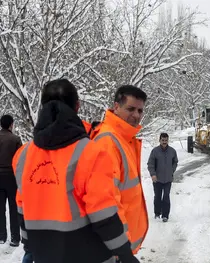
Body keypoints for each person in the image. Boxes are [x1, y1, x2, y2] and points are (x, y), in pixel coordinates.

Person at [12, 79, 139, 263]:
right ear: (77, 106)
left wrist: (28, 245)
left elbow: (22, 207)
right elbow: (103, 213)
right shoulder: (91, 153)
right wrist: (125, 253)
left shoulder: (22, 155)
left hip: (45, 254)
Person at [91, 85, 149, 256]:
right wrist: (121, 249)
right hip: (115, 249)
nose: (136, 115)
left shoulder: (124, 139)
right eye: (130, 109)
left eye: (140, 110)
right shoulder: (108, 143)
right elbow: (107, 204)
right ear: (116, 106)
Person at [0, 114, 22, 246]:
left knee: (0, 208)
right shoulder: (16, 139)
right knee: (14, 208)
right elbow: (20, 159)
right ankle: (15, 238)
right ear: (11, 125)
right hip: (11, 177)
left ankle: (1, 236)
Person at [147, 133, 178, 222]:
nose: (164, 142)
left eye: (166, 140)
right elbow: (150, 164)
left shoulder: (172, 151)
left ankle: (165, 215)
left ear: (168, 140)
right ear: (159, 140)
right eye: (163, 140)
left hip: (168, 179)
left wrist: (172, 170)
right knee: (157, 197)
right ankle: (157, 213)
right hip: (157, 179)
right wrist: (153, 174)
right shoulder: (155, 151)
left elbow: (175, 162)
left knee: (166, 197)